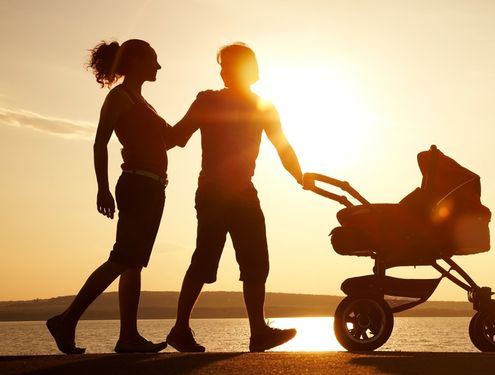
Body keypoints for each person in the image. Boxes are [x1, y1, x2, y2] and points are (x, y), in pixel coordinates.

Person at [166, 43, 303, 352]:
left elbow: (283, 147)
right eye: (223, 65)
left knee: (256, 264)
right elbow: (178, 136)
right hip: (214, 192)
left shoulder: (263, 106)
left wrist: (299, 175)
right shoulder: (208, 100)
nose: (223, 71)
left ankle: (258, 333)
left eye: (228, 65)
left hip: (244, 192)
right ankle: (180, 329)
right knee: (204, 261)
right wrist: (146, 143)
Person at [46, 39, 175, 354]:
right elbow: (99, 142)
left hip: (154, 187)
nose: (158, 67)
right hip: (136, 185)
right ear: (136, 63)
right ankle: (66, 320)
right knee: (121, 258)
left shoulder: (144, 103)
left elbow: (170, 141)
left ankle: (128, 336)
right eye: (154, 60)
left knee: (133, 264)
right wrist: (102, 188)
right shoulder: (119, 98)